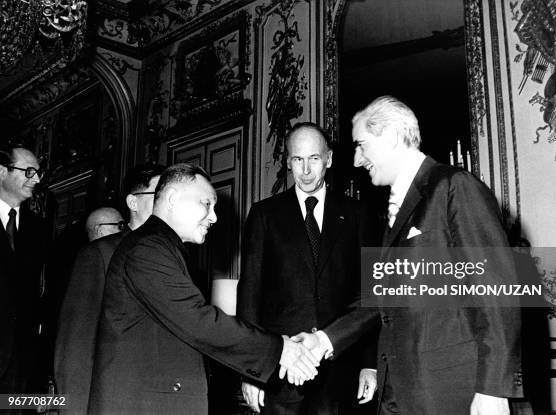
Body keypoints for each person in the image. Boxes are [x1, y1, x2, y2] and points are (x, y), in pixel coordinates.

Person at [293, 96, 523, 415]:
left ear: (389, 139)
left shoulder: (453, 186)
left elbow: (497, 291)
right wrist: (324, 341)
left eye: (362, 145)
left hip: (453, 391)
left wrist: (493, 389)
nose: (357, 160)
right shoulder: (395, 210)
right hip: (401, 388)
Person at [88, 164, 319, 415]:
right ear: (174, 199)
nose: (214, 217)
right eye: (206, 204)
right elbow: (198, 321)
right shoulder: (148, 249)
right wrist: (280, 349)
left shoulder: (161, 247)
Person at [237, 122, 377, 415]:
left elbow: (369, 294)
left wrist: (369, 363)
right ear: (288, 162)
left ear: (328, 158)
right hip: (280, 372)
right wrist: (252, 370)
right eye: (298, 160)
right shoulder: (264, 215)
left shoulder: (358, 214)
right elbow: (250, 294)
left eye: (314, 158)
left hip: (340, 370)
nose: (306, 170)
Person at [54, 163, 165, 414]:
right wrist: (74, 408)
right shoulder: (100, 254)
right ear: (133, 203)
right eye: (158, 195)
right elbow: (76, 344)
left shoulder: (178, 259)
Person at [0, 143, 49, 397]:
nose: (37, 179)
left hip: (23, 362)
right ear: (2, 172)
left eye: (38, 172)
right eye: (29, 171)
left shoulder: (38, 228)